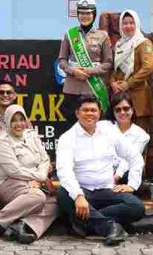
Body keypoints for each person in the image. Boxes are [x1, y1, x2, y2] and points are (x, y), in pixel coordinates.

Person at [56, 97, 145, 246]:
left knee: (136, 207)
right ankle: (111, 227)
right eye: (85, 110)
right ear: (77, 113)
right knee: (64, 195)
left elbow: (134, 156)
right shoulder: (67, 138)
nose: (89, 114)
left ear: (99, 113)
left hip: (107, 191)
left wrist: (132, 185)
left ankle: (85, 222)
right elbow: (64, 171)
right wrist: (78, 196)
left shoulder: (110, 132)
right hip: (83, 193)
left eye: (93, 110)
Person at [0, 104, 57, 244]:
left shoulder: (32, 135)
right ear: (7, 122)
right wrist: (40, 178)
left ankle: (22, 225)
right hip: (6, 184)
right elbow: (14, 170)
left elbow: (45, 159)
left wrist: (38, 179)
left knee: (55, 202)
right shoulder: (3, 141)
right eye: (14, 120)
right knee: (39, 197)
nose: (18, 124)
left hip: (31, 183)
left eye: (21, 119)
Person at [58, 0, 113, 109]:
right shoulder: (69, 34)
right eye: (81, 13)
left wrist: (90, 71)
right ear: (78, 15)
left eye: (88, 13)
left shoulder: (102, 36)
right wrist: (74, 71)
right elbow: (62, 60)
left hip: (94, 88)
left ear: (94, 15)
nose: (84, 16)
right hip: (72, 88)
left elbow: (108, 63)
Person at [109, 10, 153, 128]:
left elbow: (148, 67)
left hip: (138, 98)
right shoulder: (119, 44)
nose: (128, 26)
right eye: (125, 23)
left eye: (131, 23)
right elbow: (113, 68)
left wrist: (128, 84)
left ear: (137, 24)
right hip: (119, 96)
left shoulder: (143, 43)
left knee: (140, 137)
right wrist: (113, 83)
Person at [108, 93, 150, 184]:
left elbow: (130, 159)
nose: (122, 112)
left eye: (126, 109)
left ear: (133, 109)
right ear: (113, 112)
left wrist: (116, 177)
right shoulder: (105, 128)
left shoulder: (141, 135)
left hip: (125, 172)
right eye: (118, 110)